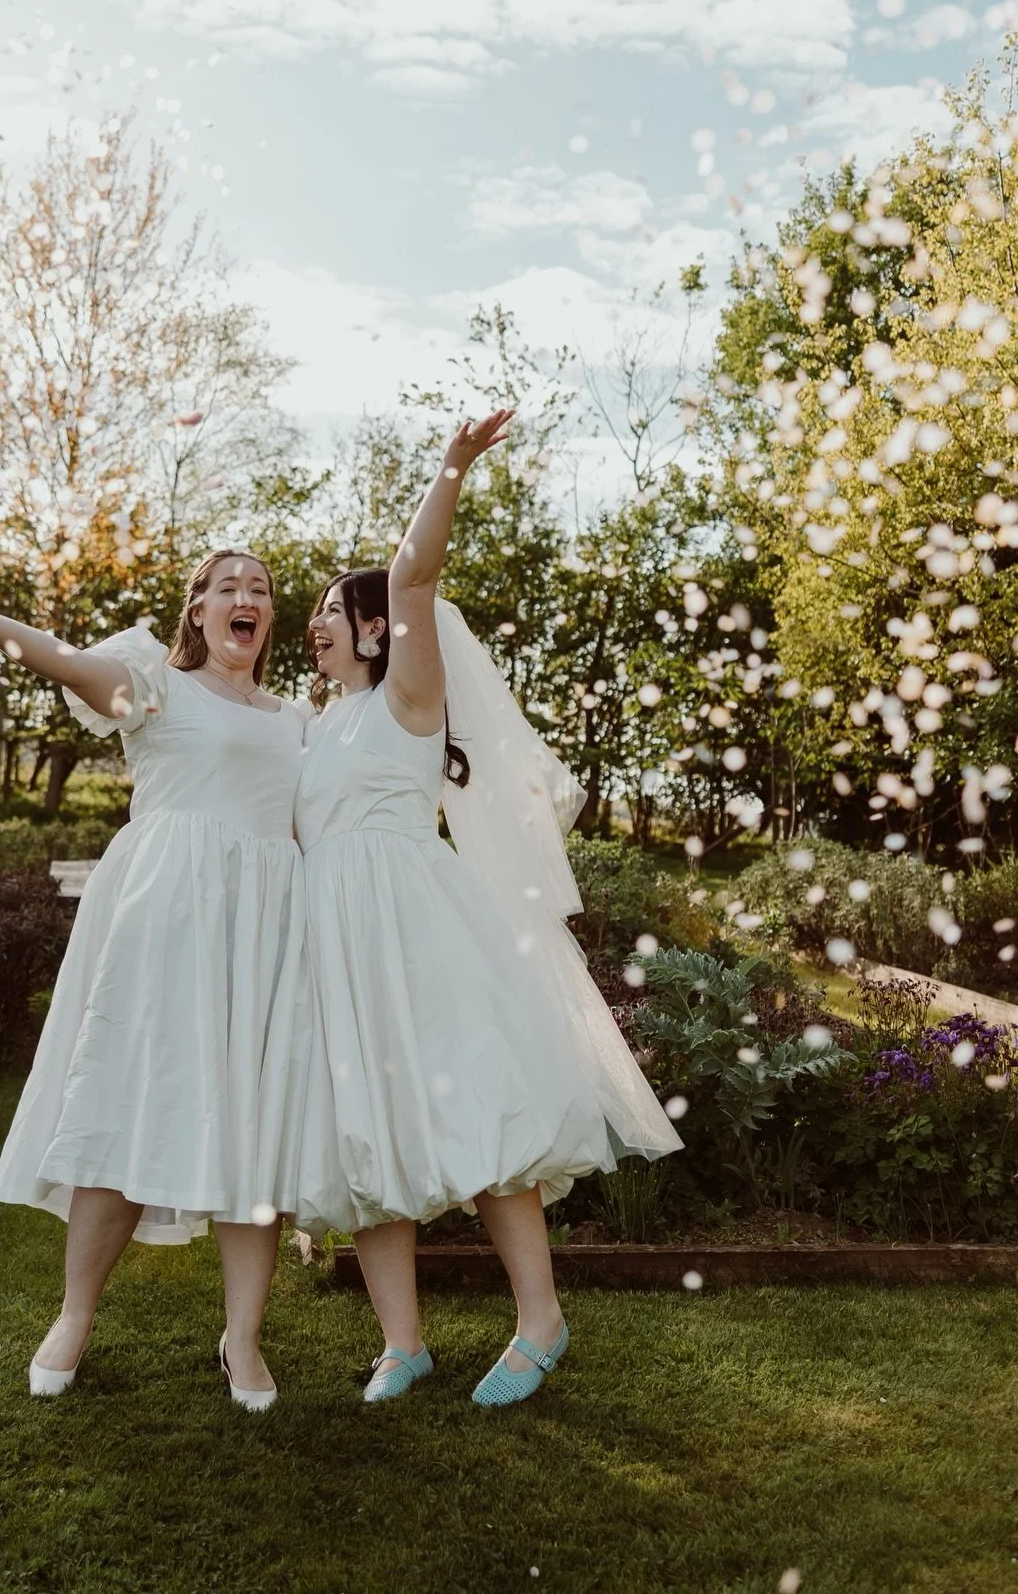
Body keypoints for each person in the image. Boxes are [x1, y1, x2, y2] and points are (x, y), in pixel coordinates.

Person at [294, 412, 682, 1408]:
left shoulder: (405, 700)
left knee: (482, 1123)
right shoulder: (315, 724)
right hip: (335, 943)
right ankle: (404, 1344)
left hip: (418, 932)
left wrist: (451, 467)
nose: (319, 619)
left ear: (377, 627)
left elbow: (414, 572)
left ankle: (541, 1324)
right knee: (363, 1136)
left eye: (337, 607)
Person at [0, 552, 310, 1410]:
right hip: (165, 924)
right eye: (228, 588)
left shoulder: (298, 717)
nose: (247, 600)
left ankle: (241, 1340)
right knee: (127, 1104)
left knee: (253, 1130)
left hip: (266, 936)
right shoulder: (154, 683)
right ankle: (73, 1317)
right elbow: (57, 658)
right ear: (197, 609)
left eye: (262, 591)